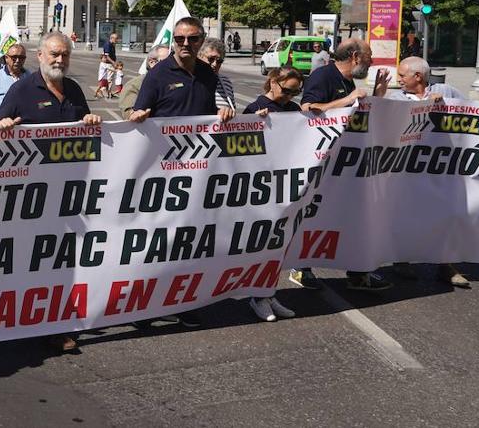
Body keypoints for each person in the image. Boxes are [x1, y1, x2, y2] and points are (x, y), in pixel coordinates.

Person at [0, 32, 102, 351]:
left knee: (62, 264)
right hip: (31, 198)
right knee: (31, 262)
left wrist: (91, 119)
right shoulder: (21, 90)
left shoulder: (73, 90)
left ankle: (58, 325)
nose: (60, 60)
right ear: (39, 56)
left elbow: (85, 125)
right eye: (54, 54)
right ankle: (19, 320)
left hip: (70, 197)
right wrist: (2, 129)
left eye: (65, 55)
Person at [128, 18, 235, 329]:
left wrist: (224, 113)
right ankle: (144, 305)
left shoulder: (206, 75)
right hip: (161, 173)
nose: (185, 45)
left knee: (188, 241)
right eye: (179, 39)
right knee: (156, 242)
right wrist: (140, 114)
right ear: (173, 40)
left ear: (201, 40)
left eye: (192, 39)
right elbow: (139, 113)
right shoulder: (158, 75)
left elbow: (212, 111)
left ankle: (183, 301)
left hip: (197, 172)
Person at [296, 39, 391, 292]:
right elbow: (308, 109)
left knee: (351, 217)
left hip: (346, 164)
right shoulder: (323, 76)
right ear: (355, 57)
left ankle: (358, 272)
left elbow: (355, 114)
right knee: (315, 215)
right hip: (322, 166)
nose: (372, 61)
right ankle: (301, 268)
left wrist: (377, 95)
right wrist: (348, 98)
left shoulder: (347, 80)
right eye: (369, 56)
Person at [385, 56, 469, 288]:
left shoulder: (445, 91)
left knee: (444, 215)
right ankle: (401, 260)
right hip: (408, 171)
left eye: (402, 75)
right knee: (407, 215)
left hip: (440, 170)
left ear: (418, 77)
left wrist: (445, 104)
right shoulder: (397, 97)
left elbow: (473, 115)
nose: (399, 79)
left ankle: (445, 265)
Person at [242, 67, 304, 322]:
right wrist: (252, 124)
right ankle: (257, 296)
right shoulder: (255, 107)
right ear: (272, 82)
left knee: (278, 245)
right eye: (286, 90)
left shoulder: (293, 110)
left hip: (286, 187)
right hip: (261, 189)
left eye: (295, 91)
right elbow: (239, 146)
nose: (290, 96)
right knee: (261, 244)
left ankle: (268, 292)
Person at [117, 45, 170, 120]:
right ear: (152, 62)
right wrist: (134, 114)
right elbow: (128, 113)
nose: (172, 65)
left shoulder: (179, 82)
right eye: (167, 62)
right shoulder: (134, 85)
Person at [0, 43, 27, 122]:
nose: (18, 60)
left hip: (24, 126)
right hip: (3, 127)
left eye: (21, 58)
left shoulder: (29, 76)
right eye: (14, 57)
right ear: (6, 58)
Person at [198, 38, 236, 111]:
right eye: (211, 59)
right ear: (199, 57)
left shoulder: (226, 82)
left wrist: (255, 116)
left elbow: (234, 117)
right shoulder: (190, 81)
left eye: (219, 61)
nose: (215, 64)